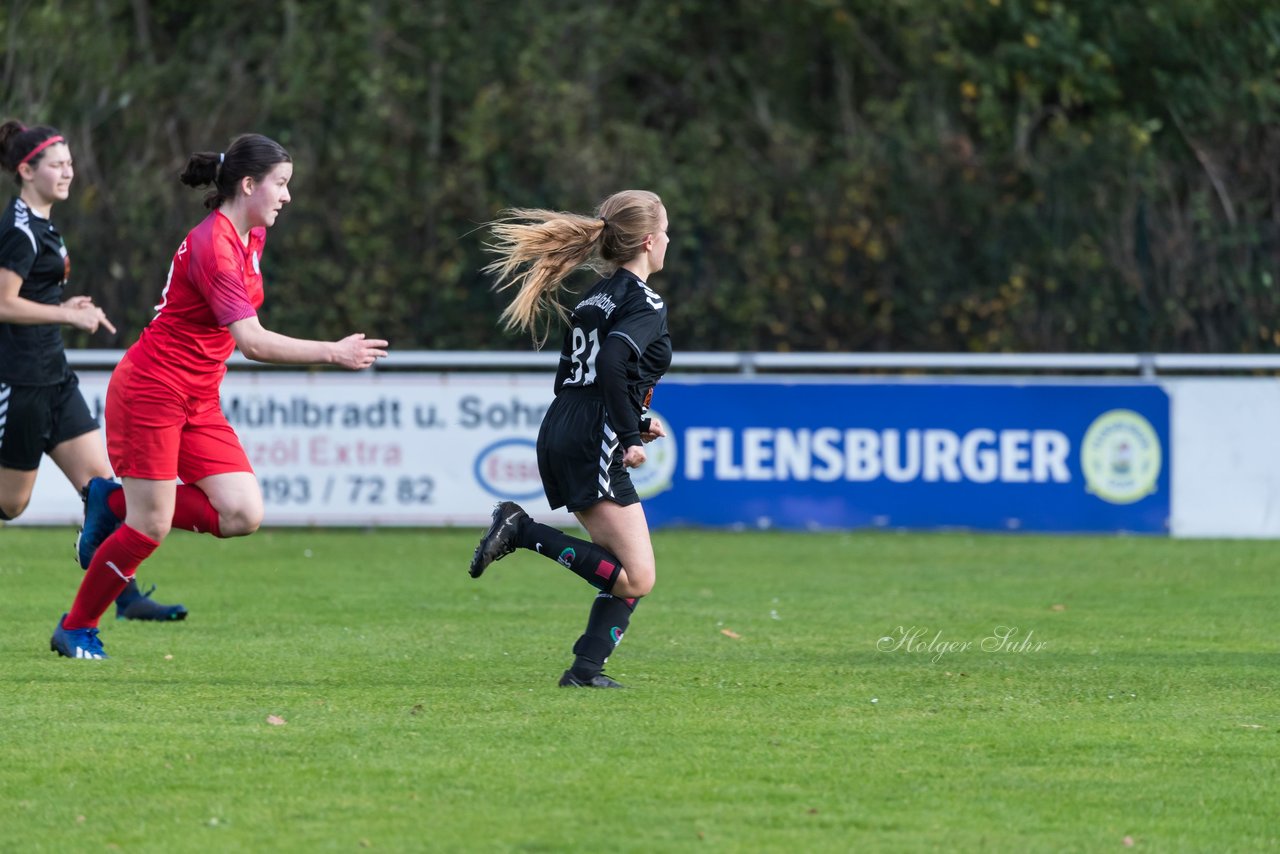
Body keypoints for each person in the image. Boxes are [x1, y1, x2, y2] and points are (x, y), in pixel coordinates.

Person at [50, 132, 388, 659]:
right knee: (151, 524)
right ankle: (76, 627)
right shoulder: (215, 246)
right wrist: (333, 351)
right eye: (280, 184)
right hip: (153, 391)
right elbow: (251, 342)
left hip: (198, 398)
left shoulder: (251, 235)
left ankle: (108, 500)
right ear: (248, 184)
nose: (287, 196)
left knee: (241, 514)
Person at [469, 189, 672, 688]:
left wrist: (632, 417)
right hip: (594, 435)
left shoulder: (595, 297)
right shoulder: (643, 301)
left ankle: (586, 671)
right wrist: (628, 432)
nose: (668, 240)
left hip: (565, 422)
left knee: (624, 572)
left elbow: (578, 377)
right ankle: (521, 530)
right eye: (665, 231)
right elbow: (610, 363)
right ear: (648, 240)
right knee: (637, 576)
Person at [0, 119, 188, 621]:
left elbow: (32, 295)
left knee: (102, 491)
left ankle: (123, 600)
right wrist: (68, 314)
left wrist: (65, 304)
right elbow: (3, 303)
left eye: (69, 163)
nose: (69, 172)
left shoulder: (44, 224)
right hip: (19, 382)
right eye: (57, 165)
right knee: (11, 505)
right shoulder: (19, 229)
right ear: (26, 170)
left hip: (54, 377)